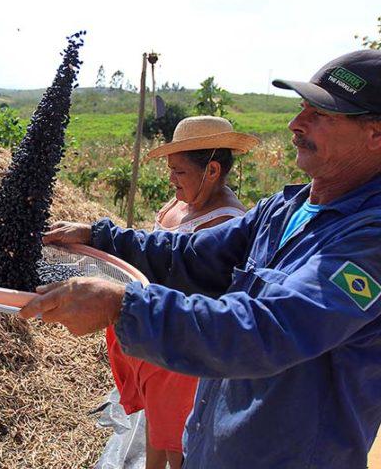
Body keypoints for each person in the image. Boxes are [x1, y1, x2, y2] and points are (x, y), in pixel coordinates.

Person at [20, 50, 381, 468]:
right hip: (214, 445)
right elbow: (190, 256)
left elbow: (266, 329)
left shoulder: (367, 242)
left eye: (321, 114)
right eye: (302, 108)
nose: (295, 125)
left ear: (375, 134)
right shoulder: (282, 210)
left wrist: (124, 305)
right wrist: (103, 237)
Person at [99, 116, 258, 469]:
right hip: (154, 331)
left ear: (212, 170)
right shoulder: (179, 204)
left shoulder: (226, 223)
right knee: (156, 426)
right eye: (171, 170)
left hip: (181, 346)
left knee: (178, 440)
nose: (170, 179)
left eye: (179, 172)